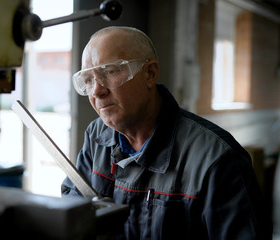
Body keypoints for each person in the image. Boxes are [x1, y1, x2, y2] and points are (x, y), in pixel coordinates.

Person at [61, 26, 272, 239]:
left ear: (150, 74)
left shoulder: (216, 159)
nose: (97, 90)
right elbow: (74, 205)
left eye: (110, 71)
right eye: (88, 80)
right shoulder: (97, 135)